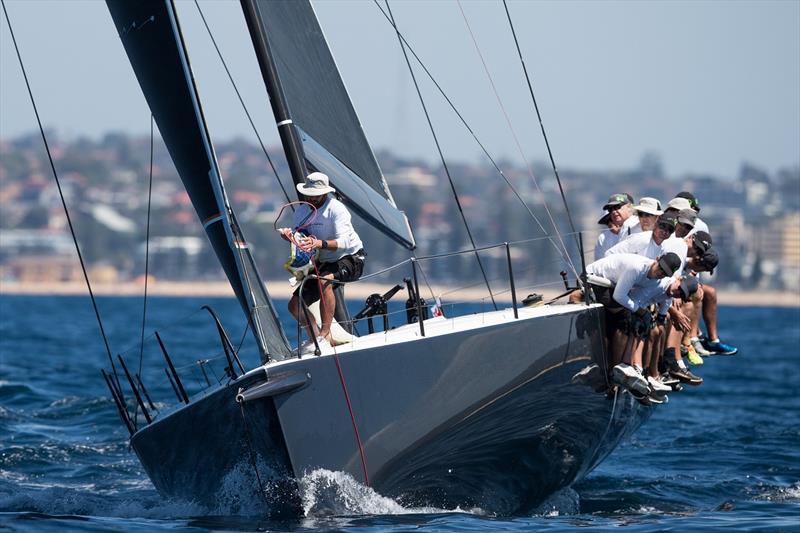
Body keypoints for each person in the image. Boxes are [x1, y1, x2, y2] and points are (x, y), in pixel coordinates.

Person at [278, 172, 366, 354]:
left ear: (325, 193)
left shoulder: (336, 209)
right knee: (294, 305)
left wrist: (319, 243)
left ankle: (325, 335)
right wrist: (289, 237)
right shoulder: (302, 211)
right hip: (323, 262)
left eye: (315, 194)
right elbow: (300, 239)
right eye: (309, 193)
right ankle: (317, 339)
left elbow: (345, 243)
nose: (311, 197)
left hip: (351, 258)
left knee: (324, 280)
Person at [577, 252, 682, 395]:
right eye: (660, 268)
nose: (660, 273)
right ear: (656, 259)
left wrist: (643, 314)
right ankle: (615, 369)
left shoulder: (656, 281)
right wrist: (641, 312)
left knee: (634, 318)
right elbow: (619, 296)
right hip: (594, 278)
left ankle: (622, 368)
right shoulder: (636, 268)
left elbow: (637, 299)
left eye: (665, 273)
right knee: (625, 316)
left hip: (612, 286)